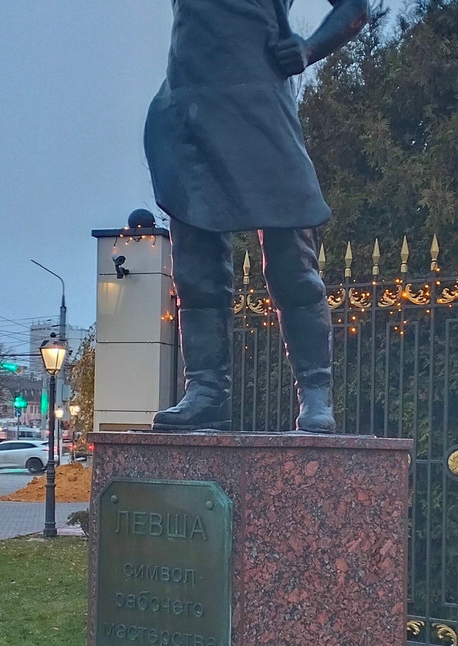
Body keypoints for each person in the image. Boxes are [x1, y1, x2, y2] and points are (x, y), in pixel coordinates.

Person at [145, 0, 369, 433]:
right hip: (186, 112)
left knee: (291, 262)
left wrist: (308, 49)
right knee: (196, 270)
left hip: (260, 104)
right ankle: (205, 390)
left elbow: (354, 7)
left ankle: (315, 392)